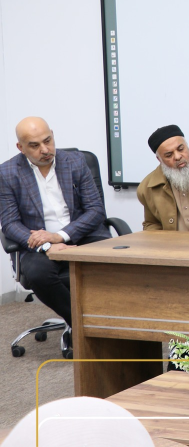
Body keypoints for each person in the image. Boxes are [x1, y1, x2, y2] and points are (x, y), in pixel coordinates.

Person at [0, 117, 109, 337]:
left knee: (116, 264)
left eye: (47, 140)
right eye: (34, 145)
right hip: (38, 244)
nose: (45, 149)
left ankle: (108, 325)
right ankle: (83, 327)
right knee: (38, 275)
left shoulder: (76, 162)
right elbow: (10, 223)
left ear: (52, 134)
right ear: (20, 147)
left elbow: (95, 210)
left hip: (82, 235)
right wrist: (47, 245)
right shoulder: (8, 173)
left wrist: (60, 236)